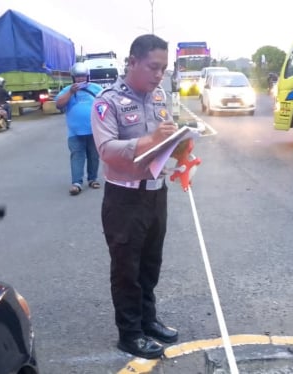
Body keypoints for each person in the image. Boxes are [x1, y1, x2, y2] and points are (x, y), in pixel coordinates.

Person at [91, 34, 179, 359]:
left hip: (157, 193)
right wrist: (150, 140)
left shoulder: (159, 96)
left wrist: (181, 145)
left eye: (163, 69)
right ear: (132, 62)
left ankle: (147, 319)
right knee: (126, 269)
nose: (158, 75)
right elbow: (107, 150)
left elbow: (165, 137)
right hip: (124, 199)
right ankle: (130, 333)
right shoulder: (107, 101)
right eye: (153, 67)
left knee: (150, 265)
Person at [55, 62, 103, 196]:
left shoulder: (96, 88)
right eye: (77, 77)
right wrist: (71, 92)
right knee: (77, 156)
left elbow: (107, 103)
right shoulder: (67, 90)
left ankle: (93, 179)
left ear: (87, 77)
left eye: (82, 76)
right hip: (75, 132)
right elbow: (59, 105)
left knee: (94, 156)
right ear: (73, 78)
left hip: (95, 131)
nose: (80, 79)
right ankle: (76, 183)